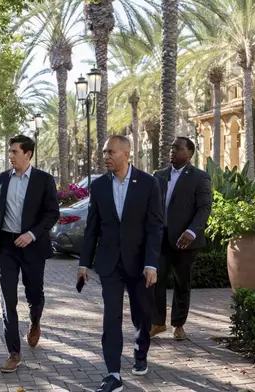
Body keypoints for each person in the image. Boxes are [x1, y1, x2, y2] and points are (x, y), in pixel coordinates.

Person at [78, 135, 163, 392]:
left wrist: (151, 263)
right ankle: (113, 373)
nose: (106, 156)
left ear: (126, 154)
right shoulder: (99, 186)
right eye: (104, 152)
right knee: (111, 317)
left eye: (110, 152)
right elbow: (92, 228)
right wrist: (83, 263)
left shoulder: (148, 183)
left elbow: (155, 226)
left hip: (139, 263)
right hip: (109, 263)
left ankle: (140, 351)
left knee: (142, 312)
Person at [0, 134, 60, 373]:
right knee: (8, 300)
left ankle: (35, 322)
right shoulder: (3, 178)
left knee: (34, 295)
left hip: (32, 246)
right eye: (10, 151)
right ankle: (14, 352)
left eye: (14, 152)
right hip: (6, 247)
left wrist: (32, 234)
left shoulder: (44, 180)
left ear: (28, 154)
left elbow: (52, 213)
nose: (10, 156)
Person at [151, 137, 212, 340]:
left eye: (177, 148)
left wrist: (192, 231)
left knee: (182, 282)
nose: (172, 150)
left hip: (185, 240)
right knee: (155, 280)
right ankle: (158, 323)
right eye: (171, 146)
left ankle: (178, 324)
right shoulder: (159, 176)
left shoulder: (199, 177)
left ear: (190, 153)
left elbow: (204, 208)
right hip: (160, 238)